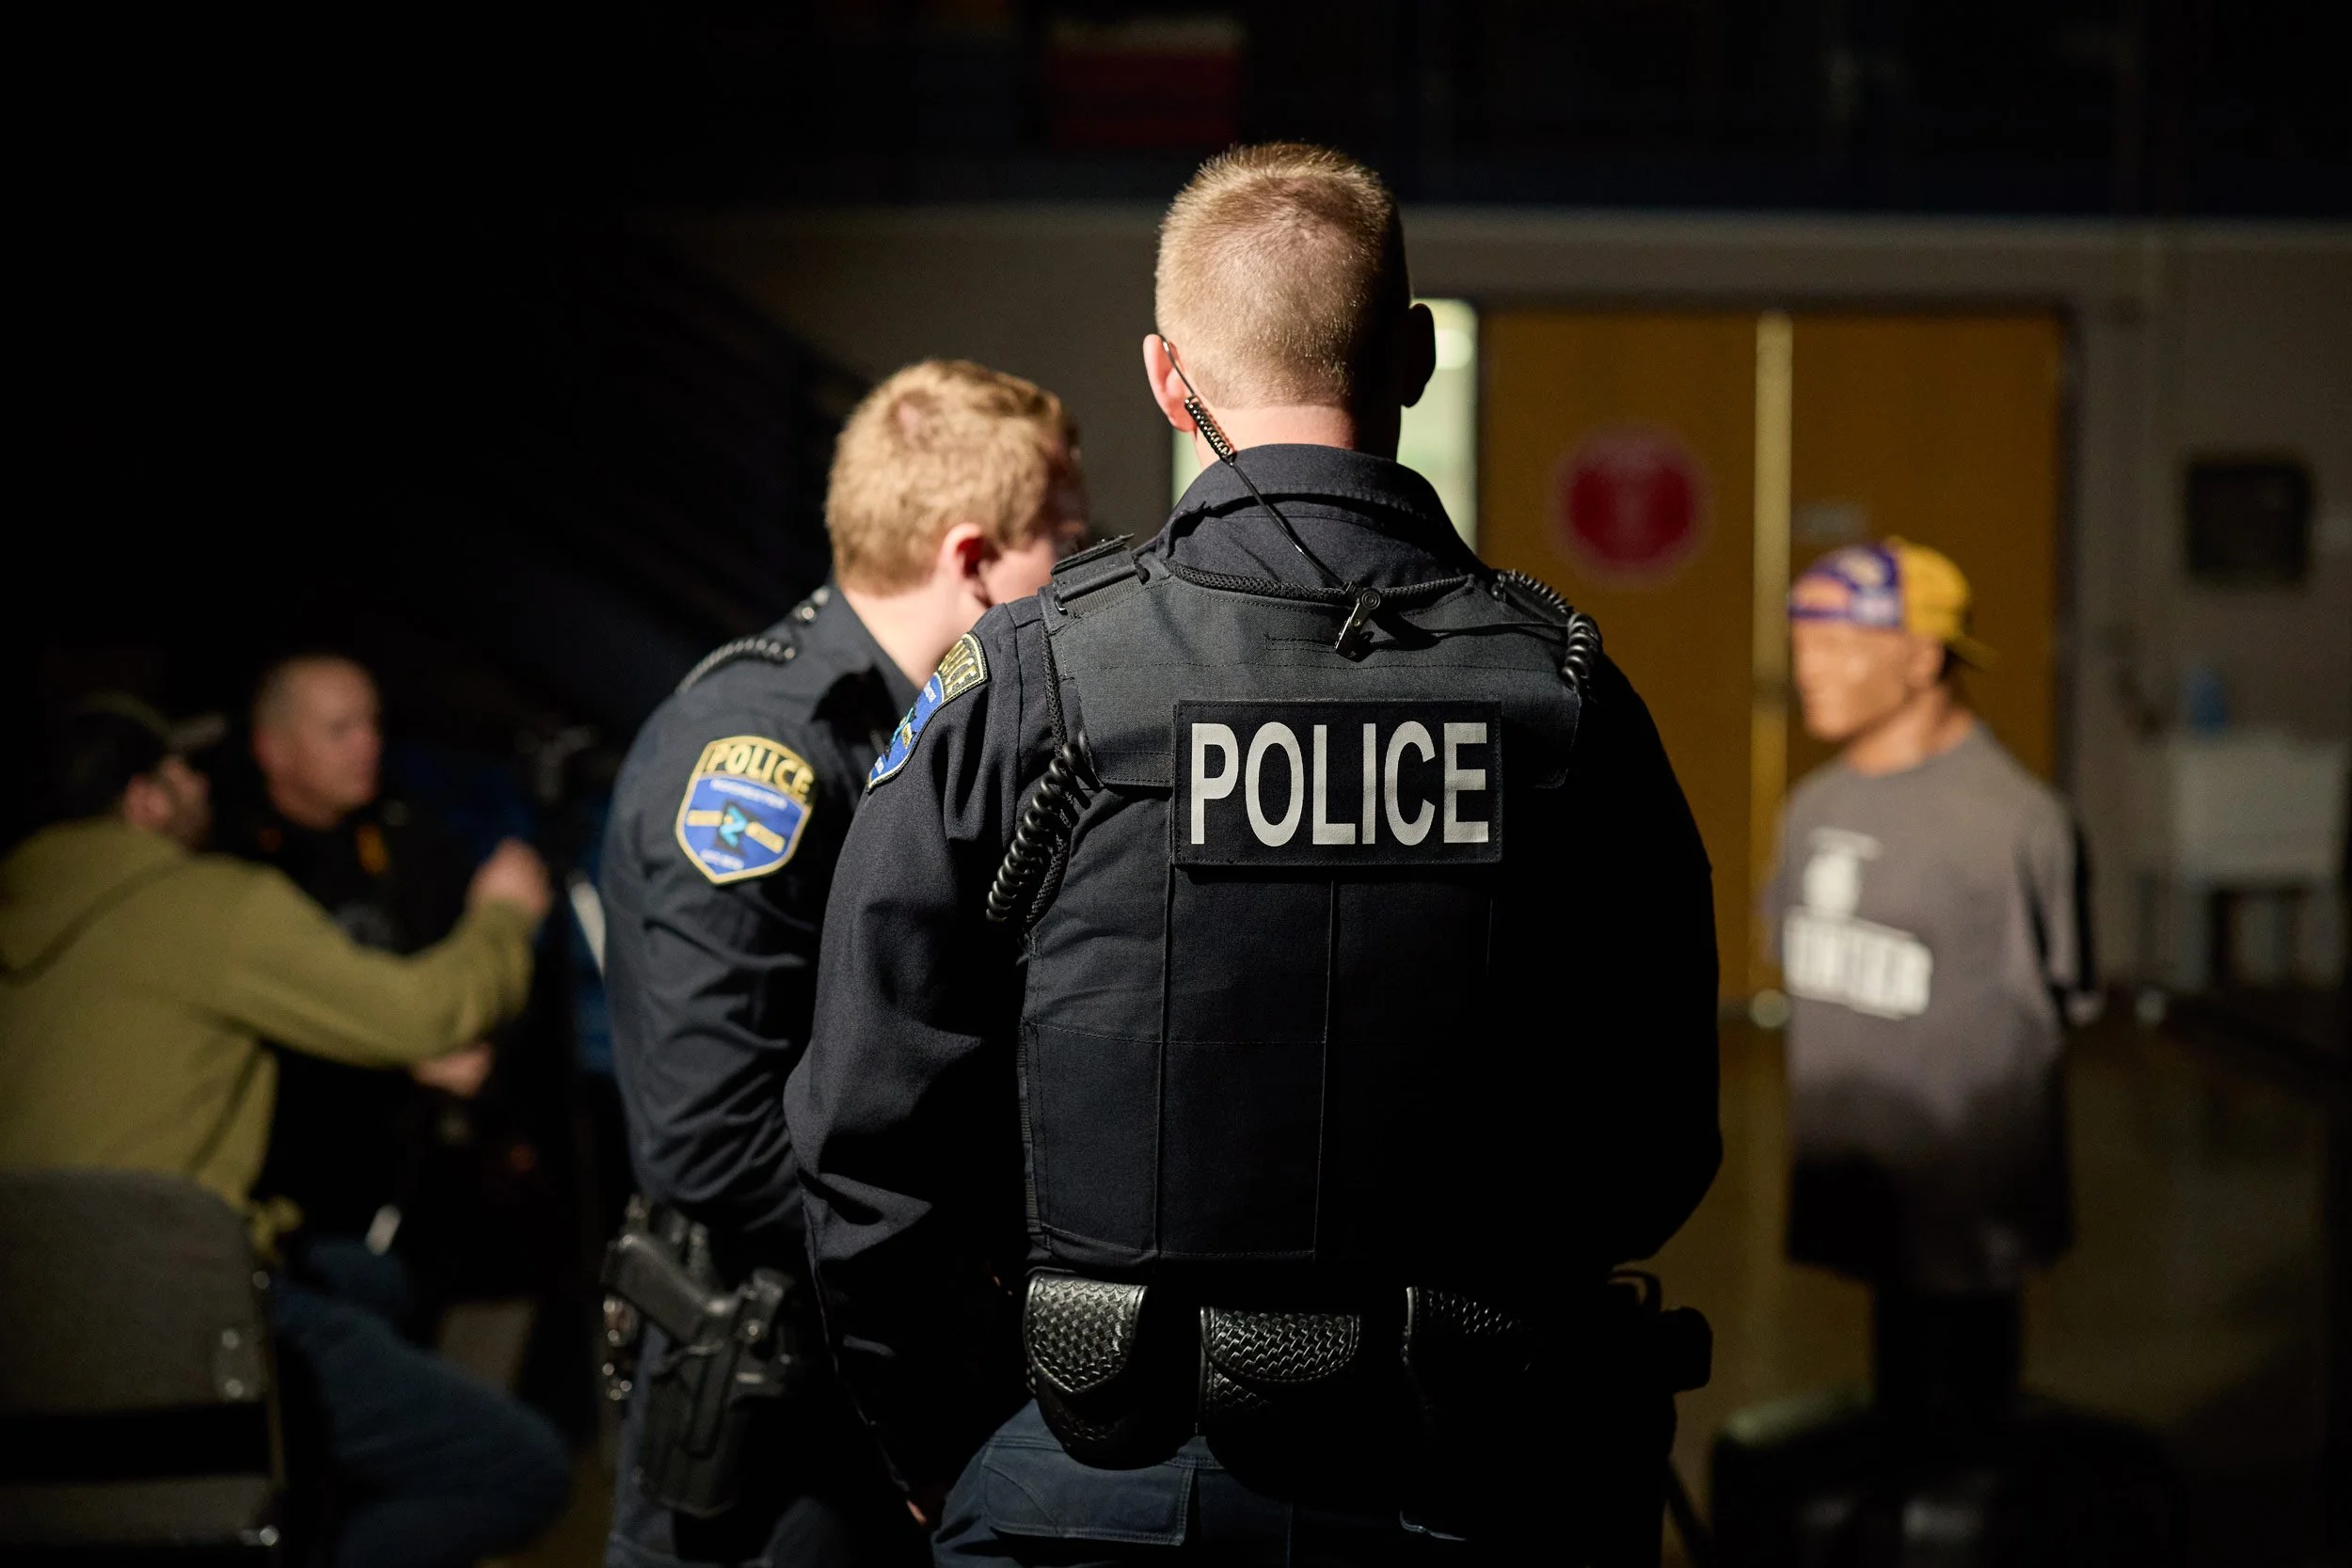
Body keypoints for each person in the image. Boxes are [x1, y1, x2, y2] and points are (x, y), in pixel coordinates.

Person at [787, 144, 1723, 1565]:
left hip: (1095, 1481)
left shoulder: (1033, 681)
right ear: (1409, 355)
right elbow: (1657, 1138)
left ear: (1169, 378)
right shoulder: (1569, 698)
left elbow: (867, 1130)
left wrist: (953, 1446)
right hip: (1469, 1471)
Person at [598, 357, 1089, 1568]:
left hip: (871, 1372)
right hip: (778, 1413)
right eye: (1064, 551)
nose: (1080, 585)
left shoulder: (923, 729)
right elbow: (711, 1138)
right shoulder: (758, 754)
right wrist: (950, 1265)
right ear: (972, 556)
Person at [0, 694, 572, 1568]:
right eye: (182, 771)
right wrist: (503, 914)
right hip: (180, 1314)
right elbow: (425, 1015)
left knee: (371, 1281)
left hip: (36, 1321)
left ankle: (308, 1476)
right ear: (146, 801)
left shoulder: (25, 907)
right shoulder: (205, 902)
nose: (201, 785)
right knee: (519, 1470)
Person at [1771, 539, 2096, 1420]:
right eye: (1803, 646)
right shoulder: (1814, 809)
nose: (1810, 672)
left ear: (1919, 658)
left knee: (1964, 1417)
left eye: (1839, 647)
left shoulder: (2014, 825)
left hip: (1968, 1196)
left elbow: (2061, 995)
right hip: (1863, 1166)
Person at [233, 653, 491, 1280]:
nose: (366, 745)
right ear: (273, 747)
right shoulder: (236, 869)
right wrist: (408, 1054)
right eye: (339, 729)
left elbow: (469, 960)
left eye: (372, 725)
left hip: (418, 1165)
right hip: (298, 1176)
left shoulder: (409, 838)